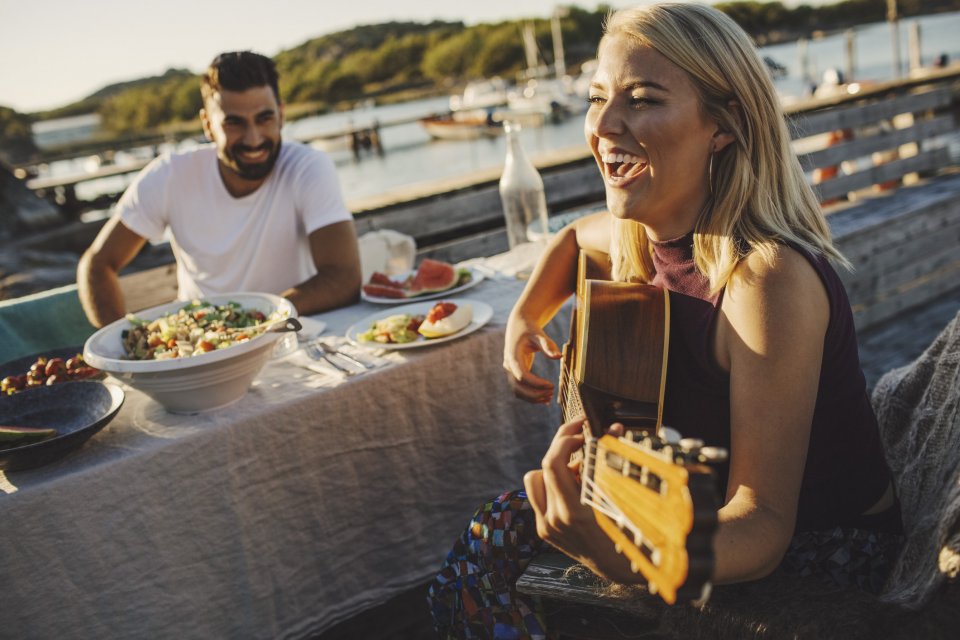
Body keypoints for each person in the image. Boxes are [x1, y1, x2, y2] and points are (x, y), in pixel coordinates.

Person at [428, 3, 903, 637]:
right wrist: (524, 316)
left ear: (724, 126)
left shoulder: (764, 281)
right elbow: (572, 239)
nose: (605, 125)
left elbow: (762, 526)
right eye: (597, 98)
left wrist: (613, 553)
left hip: (813, 556)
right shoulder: (637, 229)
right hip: (687, 504)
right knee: (486, 542)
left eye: (644, 100)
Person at [77, 51, 362, 327]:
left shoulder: (308, 166)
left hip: (291, 332)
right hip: (200, 346)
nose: (253, 139)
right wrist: (122, 343)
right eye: (234, 123)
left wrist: (254, 320)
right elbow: (98, 264)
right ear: (208, 126)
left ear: (281, 114)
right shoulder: (170, 175)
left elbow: (343, 277)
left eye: (264, 118)